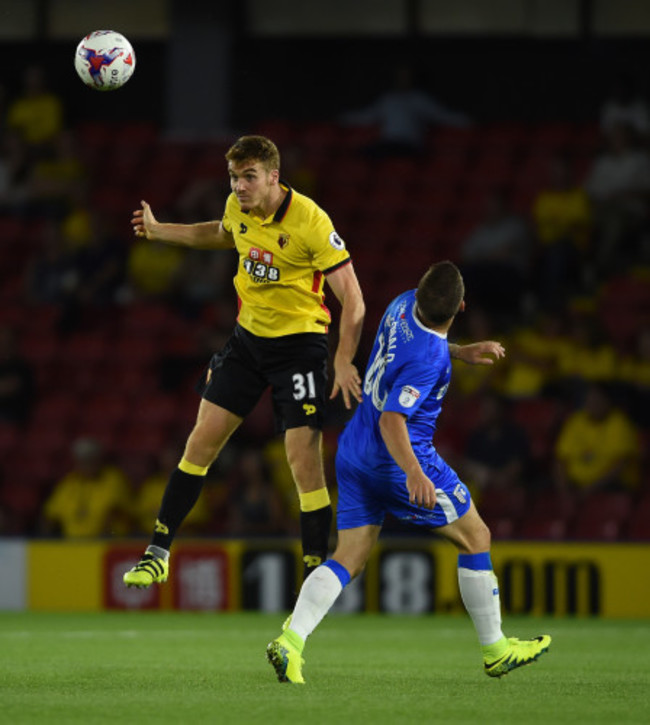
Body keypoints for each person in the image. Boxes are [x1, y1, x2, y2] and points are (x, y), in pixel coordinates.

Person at [265, 261, 551, 684]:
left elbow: (420, 347)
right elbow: (393, 420)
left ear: (419, 293)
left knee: (350, 558)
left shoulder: (401, 305)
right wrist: (415, 474)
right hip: (398, 460)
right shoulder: (430, 360)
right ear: (462, 307)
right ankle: (495, 650)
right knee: (477, 537)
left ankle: (290, 640)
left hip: (355, 449)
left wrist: (462, 350)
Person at [123, 135, 365, 588]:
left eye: (249, 177)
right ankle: (158, 552)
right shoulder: (240, 207)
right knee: (201, 443)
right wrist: (160, 230)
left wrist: (345, 359)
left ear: (274, 176)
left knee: (302, 461)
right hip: (248, 342)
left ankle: (315, 576)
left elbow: (353, 299)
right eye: (234, 177)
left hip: (300, 347)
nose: (239, 186)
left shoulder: (310, 221)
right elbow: (219, 232)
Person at [340, 64, 471, 158]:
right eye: (401, 76)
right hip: (388, 143)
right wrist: (346, 118)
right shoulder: (388, 99)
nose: (403, 79)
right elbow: (367, 116)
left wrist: (464, 121)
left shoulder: (420, 99)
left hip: (410, 145)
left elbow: (442, 116)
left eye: (406, 76)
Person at [553, 381, 641, 496]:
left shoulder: (620, 423)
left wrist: (591, 488)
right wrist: (563, 489)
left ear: (608, 401)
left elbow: (620, 465)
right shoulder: (576, 421)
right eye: (589, 399)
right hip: (576, 483)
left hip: (611, 485)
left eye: (597, 400)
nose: (592, 403)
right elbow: (560, 459)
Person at [41, 437, 131, 538]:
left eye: (91, 459)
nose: (87, 464)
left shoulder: (113, 479)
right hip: (71, 543)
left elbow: (116, 511)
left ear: (99, 459)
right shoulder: (69, 483)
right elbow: (50, 515)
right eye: (83, 460)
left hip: (106, 542)